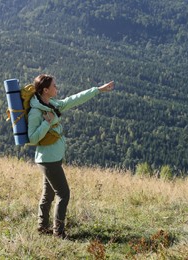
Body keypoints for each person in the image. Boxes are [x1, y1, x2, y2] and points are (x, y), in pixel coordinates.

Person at [27, 74, 114, 238]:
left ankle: (42, 227)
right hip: (48, 160)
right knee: (63, 194)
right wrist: (46, 123)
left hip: (52, 158)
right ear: (45, 90)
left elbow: (73, 100)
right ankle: (58, 233)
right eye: (54, 86)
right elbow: (32, 138)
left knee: (49, 194)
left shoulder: (51, 104)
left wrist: (97, 90)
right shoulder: (36, 112)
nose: (57, 88)